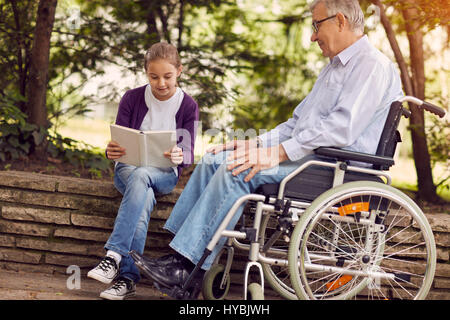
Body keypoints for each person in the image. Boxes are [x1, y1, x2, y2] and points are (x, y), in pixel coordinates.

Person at [138, 0, 403, 294]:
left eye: (316, 26)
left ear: (339, 20)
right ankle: (178, 256)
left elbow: (340, 129)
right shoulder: (335, 68)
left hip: (335, 169)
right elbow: (297, 124)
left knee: (238, 169)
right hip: (311, 159)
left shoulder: (371, 66)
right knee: (217, 159)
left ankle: (188, 268)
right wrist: (255, 143)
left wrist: (274, 154)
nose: (313, 36)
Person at [87, 42, 199, 300]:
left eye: (167, 76)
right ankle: (126, 279)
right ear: (146, 74)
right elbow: (119, 140)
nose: (161, 83)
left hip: (163, 174)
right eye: (154, 76)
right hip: (128, 169)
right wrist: (110, 151)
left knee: (143, 177)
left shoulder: (188, 106)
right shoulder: (132, 98)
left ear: (179, 71)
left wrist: (181, 155)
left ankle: (113, 255)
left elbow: (189, 151)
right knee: (141, 187)